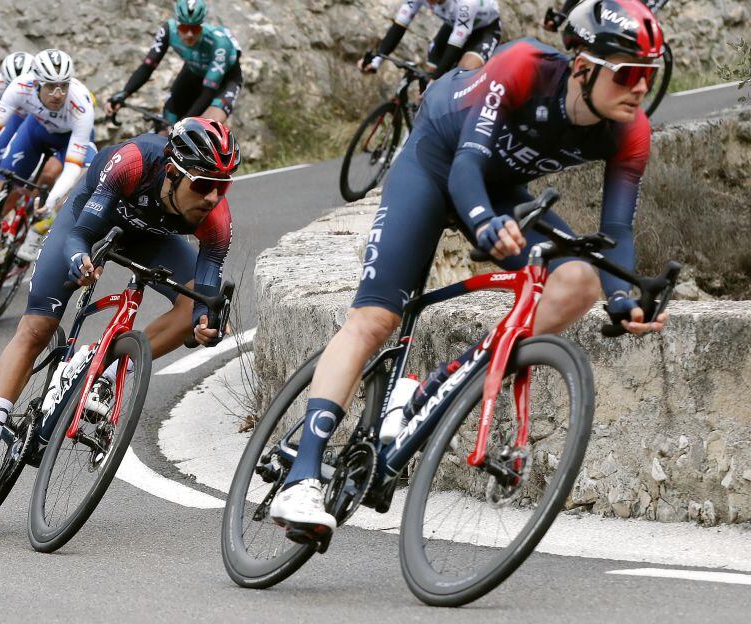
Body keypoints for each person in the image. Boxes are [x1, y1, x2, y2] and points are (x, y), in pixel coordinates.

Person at [269, 0, 668, 538]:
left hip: (500, 189)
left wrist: (625, 300)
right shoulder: (524, 65)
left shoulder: (631, 130)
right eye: (630, 74)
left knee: (578, 278)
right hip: (436, 165)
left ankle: (435, 389)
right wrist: (481, 224)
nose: (641, 89)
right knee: (374, 319)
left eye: (650, 74)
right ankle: (301, 478)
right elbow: (466, 167)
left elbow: (617, 233)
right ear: (583, 67)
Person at [0, 118, 238, 493]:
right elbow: (80, 235)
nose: (212, 198)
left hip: (150, 238)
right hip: (91, 221)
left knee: (191, 312)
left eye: (223, 187)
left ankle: (103, 364)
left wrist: (206, 320)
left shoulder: (216, 216)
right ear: (172, 172)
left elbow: (207, 286)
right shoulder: (134, 162)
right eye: (204, 185)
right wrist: (80, 259)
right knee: (37, 328)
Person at [0, 49, 98, 304]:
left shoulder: (80, 106)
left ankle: (37, 228)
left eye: (63, 86)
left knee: (59, 182)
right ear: (36, 82)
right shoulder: (19, 87)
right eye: (50, 87)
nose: (57, 94)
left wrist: (50, 200)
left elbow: (72, 166)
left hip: (68, 143)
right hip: (36, 130)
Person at [105, 0, 243, 127]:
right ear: (177, 24)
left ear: (202, 25)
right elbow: (148, 67)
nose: (189, 34)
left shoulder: (220, 45)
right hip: (193, 71)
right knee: (166, 124)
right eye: (183, 28)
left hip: (225, 81)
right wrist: (124, 93)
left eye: (195, 29)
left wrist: (183, 125)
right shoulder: (168, 30)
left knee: (204, 129)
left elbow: (208, 92)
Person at [359, 0, 502, 78]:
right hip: (453, 25)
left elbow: (456, 42)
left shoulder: (467, 3)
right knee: (428, 75)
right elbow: (399, 26)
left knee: (465, 73)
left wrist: (436, 79)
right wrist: (376, 59)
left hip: (485, 30)